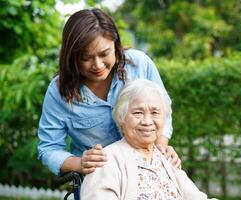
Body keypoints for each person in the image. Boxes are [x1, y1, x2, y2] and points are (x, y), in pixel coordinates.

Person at [37, 8, 180, 179]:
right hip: (98, 181)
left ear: (116, 45)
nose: (97, 65)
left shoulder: (139, 65)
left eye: (104, 54)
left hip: (148, 176)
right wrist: (80, 163)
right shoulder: (59, 91)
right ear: (72, 57)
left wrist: (161, 150)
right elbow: (49, 149)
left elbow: (163, 113)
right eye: (85, 58)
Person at [80, 79, 216, 200]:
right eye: (138, 113)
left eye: (155, 113)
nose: (147, 121)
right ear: (122, 118)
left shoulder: (166, 159)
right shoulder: (106, 161)